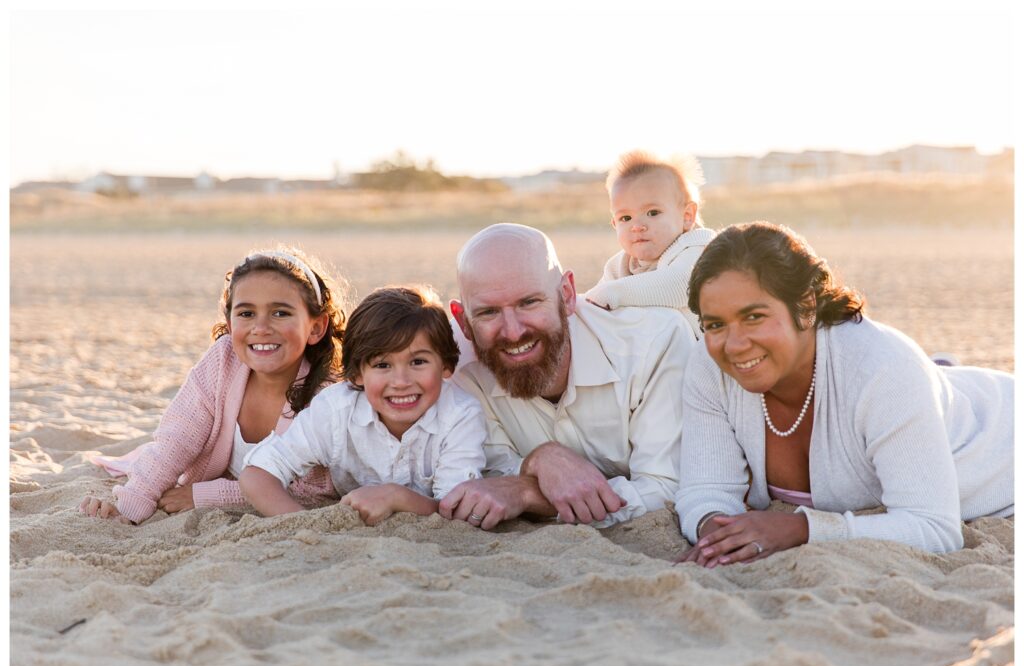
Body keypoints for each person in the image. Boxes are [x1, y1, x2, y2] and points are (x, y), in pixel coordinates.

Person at [674, 222, 1014, 566]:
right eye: (715, 324)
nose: (734, 344)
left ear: (805, 306)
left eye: (754, 317)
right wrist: (718, 535)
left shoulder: (882, 368)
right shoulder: (709, 364)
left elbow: (935, 528)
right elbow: (704, 489)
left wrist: (800, 529)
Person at [440, 223, 695, 530]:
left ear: (567, 294)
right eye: (488, 313)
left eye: (529, 302)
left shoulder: (655, 342)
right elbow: (483, 473)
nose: (513, 331)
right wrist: (536, 461)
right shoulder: (451, 367)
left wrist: (528, 492)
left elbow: (668, 487)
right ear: (463, 320)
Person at [79, 248, 345, 524]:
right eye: (246, 313)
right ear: (230, 322)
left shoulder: (326, 394)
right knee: (154, 463)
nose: (261, 327)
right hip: (209, 475)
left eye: (280, 313)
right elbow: (176, 441)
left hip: (249, 492)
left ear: (316, 327)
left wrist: (204, 494)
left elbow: (312, 491)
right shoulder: (223, 361)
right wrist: (130, 508)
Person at [239, 286, 487, 525]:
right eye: (382, 365)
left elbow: (454, 509)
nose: (401, 382)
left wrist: (396, 497)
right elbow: (257, 473)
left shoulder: (460, 415)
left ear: (446, 366)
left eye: (418, 361)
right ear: (357, 374)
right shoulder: (336, 410)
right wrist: (304, 522)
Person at [584, 150, 717, 338]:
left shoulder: (696, 249)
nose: (637, 226)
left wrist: (613, 292)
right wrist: (580, 305)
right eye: (626, 218)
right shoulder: (619, 266)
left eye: (652, 213)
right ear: (614, 223)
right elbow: (595, 300)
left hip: (704, 355)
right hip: (652, 355)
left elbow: (679, 286)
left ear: (687, 216)